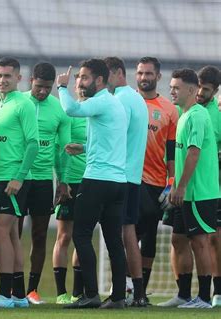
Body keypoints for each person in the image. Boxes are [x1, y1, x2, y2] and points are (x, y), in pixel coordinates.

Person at [57, 59, 127, 309]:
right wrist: (85, 147)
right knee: (113, 240)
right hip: (118, 182)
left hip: (97, 180)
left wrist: (62, 88)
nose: (79, 82)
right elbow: (112, 142)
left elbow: (71, 110)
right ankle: (119, 296)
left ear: (100, 80)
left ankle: (91, 295)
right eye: (77, 78)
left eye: (84, 78)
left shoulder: (101, 101)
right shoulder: (115, 104)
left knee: (81, 234)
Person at [0, 57, 39, 309]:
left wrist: (19, 177)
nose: (2, 80)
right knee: (11, 235)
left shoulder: (22, 105)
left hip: (11, 179)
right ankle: (18, 294)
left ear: (19, 78)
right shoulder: (1, 106)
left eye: (7, 76)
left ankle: (3, 294)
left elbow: (33, 144)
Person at [130, 57, 179, 307]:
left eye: (148, 73)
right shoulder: (127, 102)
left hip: (157, 181)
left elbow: (171, 152)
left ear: (158, 76)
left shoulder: (169, 109)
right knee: (129, 233)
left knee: (149, 237)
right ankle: (129, 288)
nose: (143, 77)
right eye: (140, 72)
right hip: (130, 179)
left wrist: (171, 182)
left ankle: (140, 292)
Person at [168, 68, 219, 308]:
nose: (171, 91)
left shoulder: (198, 115)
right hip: (184, 192)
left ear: (191, 89)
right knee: (178, 239)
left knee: (200, 242)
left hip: (199, 192)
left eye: (176, 87)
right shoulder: (184, 114)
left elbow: (194, 152)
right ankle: (184, 294)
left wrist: (181, 186)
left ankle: (205, 298)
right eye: (171, 86)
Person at [22, 62, 71, 304]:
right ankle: (10, 288)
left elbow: (63, 149)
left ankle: (32, 289)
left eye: (47, 88)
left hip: (42, 180)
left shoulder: (59, 110)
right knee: (10, 234)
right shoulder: (18, 102)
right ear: (31, 80)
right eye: (39, 86)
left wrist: (62, 181)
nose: (42, 92)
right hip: (17, 179)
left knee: (40, 235)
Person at [105, 56, 149, 306]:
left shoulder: (120, 99)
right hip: (133, 176)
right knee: (128, 232)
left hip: (119, 176)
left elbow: (113, 138)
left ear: (117, 73)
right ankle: (138, 292)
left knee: (117, 234)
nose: (103, 83)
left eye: (105, 76)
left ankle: (120, 292)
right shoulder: (137, 99)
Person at [52, 72, 87, 305]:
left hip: (91, 181)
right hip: (70, 180)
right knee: (64, 236)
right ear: (74, 88)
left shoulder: (97, 113)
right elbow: (59, 148)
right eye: (79, 83)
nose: (83, 87)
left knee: (82, 236)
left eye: (86, 82)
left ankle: (77, 292)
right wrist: (62, 180)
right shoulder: (70, 113)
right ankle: (60, 293)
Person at [196, 66, 221, 307]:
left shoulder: (217, 114)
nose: (201, 93)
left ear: (214, 91)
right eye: (200, 87)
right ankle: (185, 293)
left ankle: (217, 291)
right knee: (180, 238)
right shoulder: (191, 110)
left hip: (214, 185)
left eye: (206, 89)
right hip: (194, 185)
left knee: (214, 238)